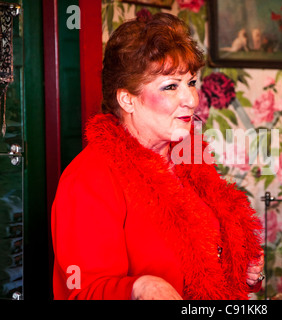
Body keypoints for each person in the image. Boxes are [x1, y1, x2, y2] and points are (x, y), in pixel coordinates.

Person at [51, 12, 264, 300]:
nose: (191, 99)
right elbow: (83, 292)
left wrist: (247, 271)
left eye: (190, 82)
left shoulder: (190, 159)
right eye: (170, 86)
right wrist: (140, 287)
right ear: (127, 99)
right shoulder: (89, 178)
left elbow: (212, 261)